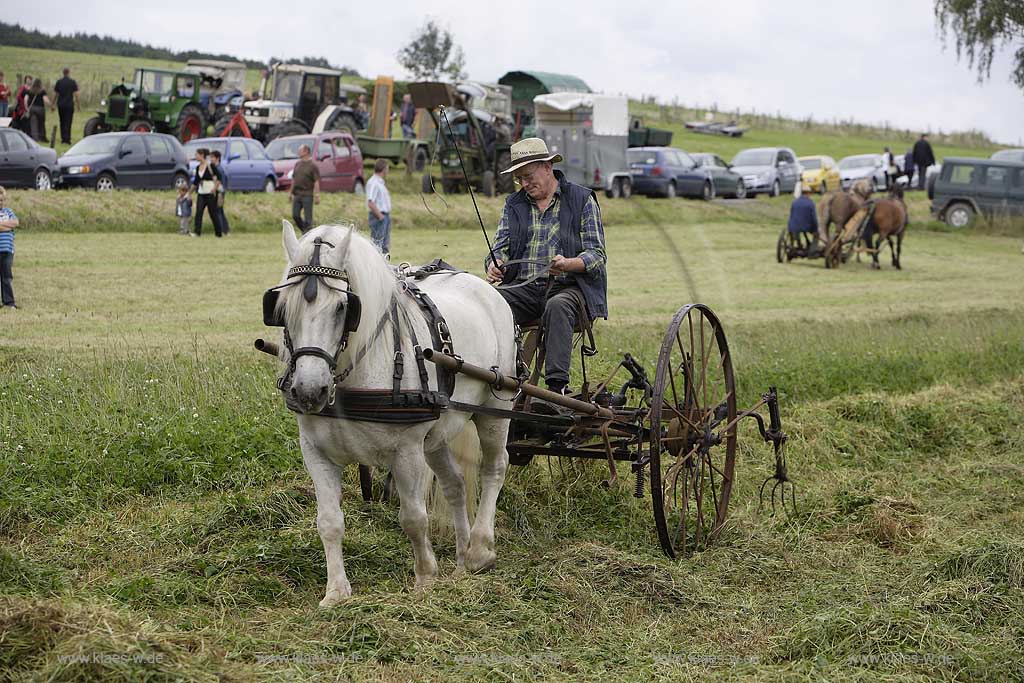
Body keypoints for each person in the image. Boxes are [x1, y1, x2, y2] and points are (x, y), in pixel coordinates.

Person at [485, 138, 608, 396]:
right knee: (489, 300)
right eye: (519, 179)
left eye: (528, 176)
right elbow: (500, 247)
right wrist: (494, 264)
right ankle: (497, 375)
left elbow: (597, 256)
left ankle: (556, 388)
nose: (525, 184)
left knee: (557, 305)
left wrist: (568, 264)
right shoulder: (514, 204)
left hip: (570, 288)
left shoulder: (581, 199)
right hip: (525, 288)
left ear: (547, 166)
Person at [190, 148, 223, 237]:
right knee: (199, 212)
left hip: (210, 193)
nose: (195, 156)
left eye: (197, 154)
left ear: (202, 155)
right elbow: (196, 182)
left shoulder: (211, 166)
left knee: (213, 213)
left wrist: (215, 188)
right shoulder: (197, 168)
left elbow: (219, 178)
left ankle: (218, 233)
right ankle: (197, 232)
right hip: (201, 192)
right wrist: (189, 193)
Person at [288, 144, 320, 232]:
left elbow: (316, 181)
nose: (298, 152)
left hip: (307, 195)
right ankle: (305, 232)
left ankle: (308, 232)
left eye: (300, 150)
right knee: (295, 215)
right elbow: (294, 179)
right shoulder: (297, 164)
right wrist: (290, 193)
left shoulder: (313, 165)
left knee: (308, 219)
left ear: (306, 152)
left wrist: (317, 195)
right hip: (297, 194)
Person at [365, 158, 391, 256]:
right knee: (377, 245)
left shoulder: (380, 182)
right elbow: (370, 202)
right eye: (387, 168)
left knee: (384, 245)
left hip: (384, 216)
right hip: (378, 217)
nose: (388, 170)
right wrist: (380, 216)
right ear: (383, 169)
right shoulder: (374, 183)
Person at [0, 186, 18, 309]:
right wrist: (7, 226)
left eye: (1, 200)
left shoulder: (8, 211)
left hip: (8, 251)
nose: (0, 202)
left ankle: (9, 302)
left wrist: (2, 225)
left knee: (6, 277)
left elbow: (15, 223)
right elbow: (10, 226)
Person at [52, 68, 80, 145]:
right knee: (68, 121)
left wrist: (52, 104)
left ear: (63, 73)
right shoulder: (72, 82)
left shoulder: (59, 82)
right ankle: (67, 139)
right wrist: (78, 105)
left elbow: (55, 94)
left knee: (62, 121)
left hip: (61, 105)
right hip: (69, 105)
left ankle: (63, 138)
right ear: (69, 73)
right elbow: (76, 94)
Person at [787, 188, 819, 252]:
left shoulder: (794, 202)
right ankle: (812, 250)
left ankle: (798, 245)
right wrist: (816, 228)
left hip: (793, 226)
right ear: (808, 194)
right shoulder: (810, 203)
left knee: (796, 231)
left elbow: (791, 215)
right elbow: (813, 218)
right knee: (817, 234)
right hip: (806, 226)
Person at [209, 150, 230, 235]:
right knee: (220, 211)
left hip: (219, 192)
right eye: (210, 157)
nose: (211, 159)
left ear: (217, 158)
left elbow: (219, 181)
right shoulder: (217, 168)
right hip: (221, 191)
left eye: (213, 157)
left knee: (218, 211)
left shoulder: (218, 169)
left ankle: (221, 229)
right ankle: (225, 229)